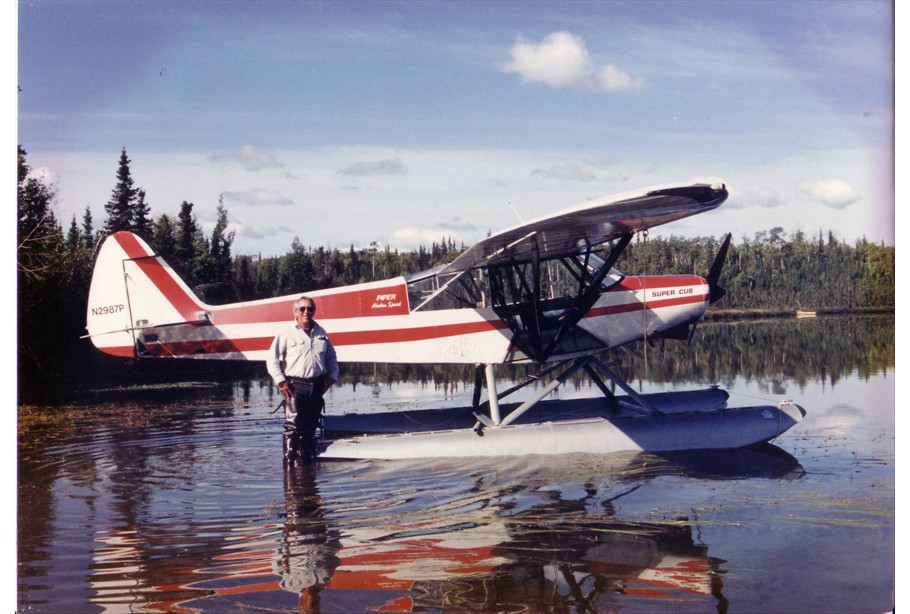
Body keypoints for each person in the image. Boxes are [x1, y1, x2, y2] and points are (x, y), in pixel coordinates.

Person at [267, 296, 339, 464]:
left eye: (310, 309)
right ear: (296, 312)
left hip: (317, 386)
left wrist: (331, 378)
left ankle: (306, 472)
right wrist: (281, 381)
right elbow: (272, 359)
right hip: (295, 387)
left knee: (310, 429)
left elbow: (332, 358)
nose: (306, 312)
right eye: (302, 309)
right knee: (292, 428)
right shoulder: (286, 333)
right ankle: (289, 468)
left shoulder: (321, 333)